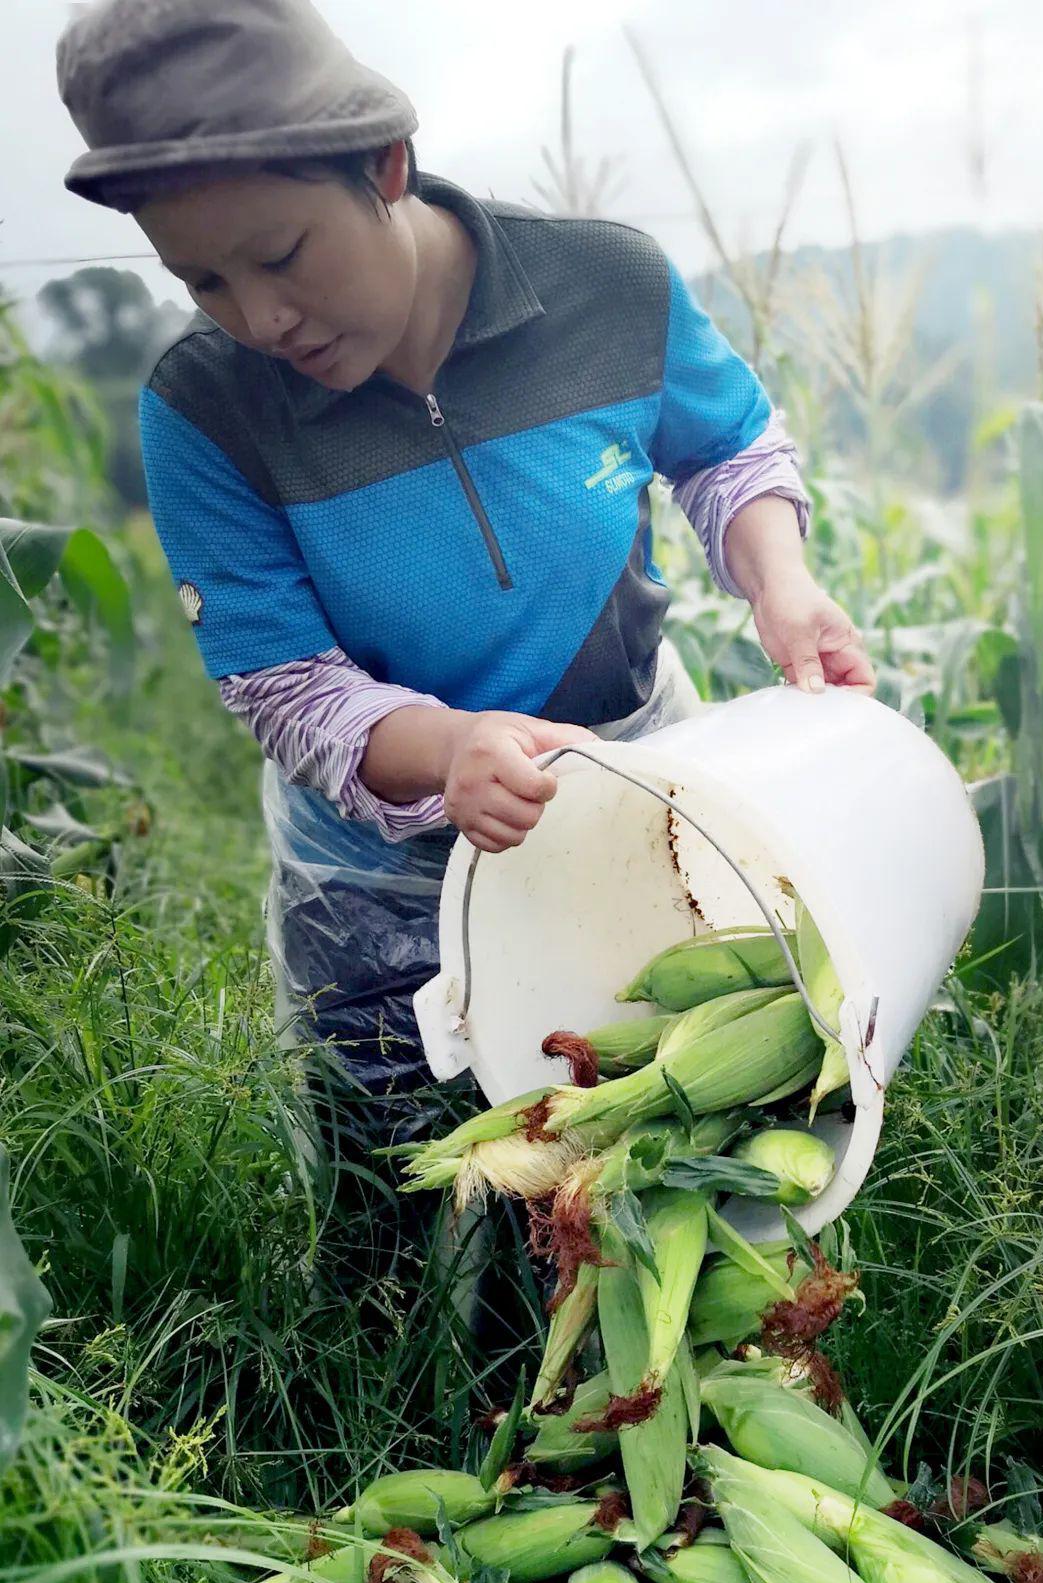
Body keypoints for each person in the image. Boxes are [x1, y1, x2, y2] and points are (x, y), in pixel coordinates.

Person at [56, 0, 875, 1153]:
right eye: (205, 283)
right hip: (376, 874)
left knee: (652, 1140)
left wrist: (780, 581)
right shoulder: (203, 410)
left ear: (385, 165)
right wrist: (448, 750)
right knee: (395, 1198)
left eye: (283, 255)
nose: (263, 318)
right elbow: (282, 680)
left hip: (633, 797)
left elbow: (727, 447)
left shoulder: (610, 287)